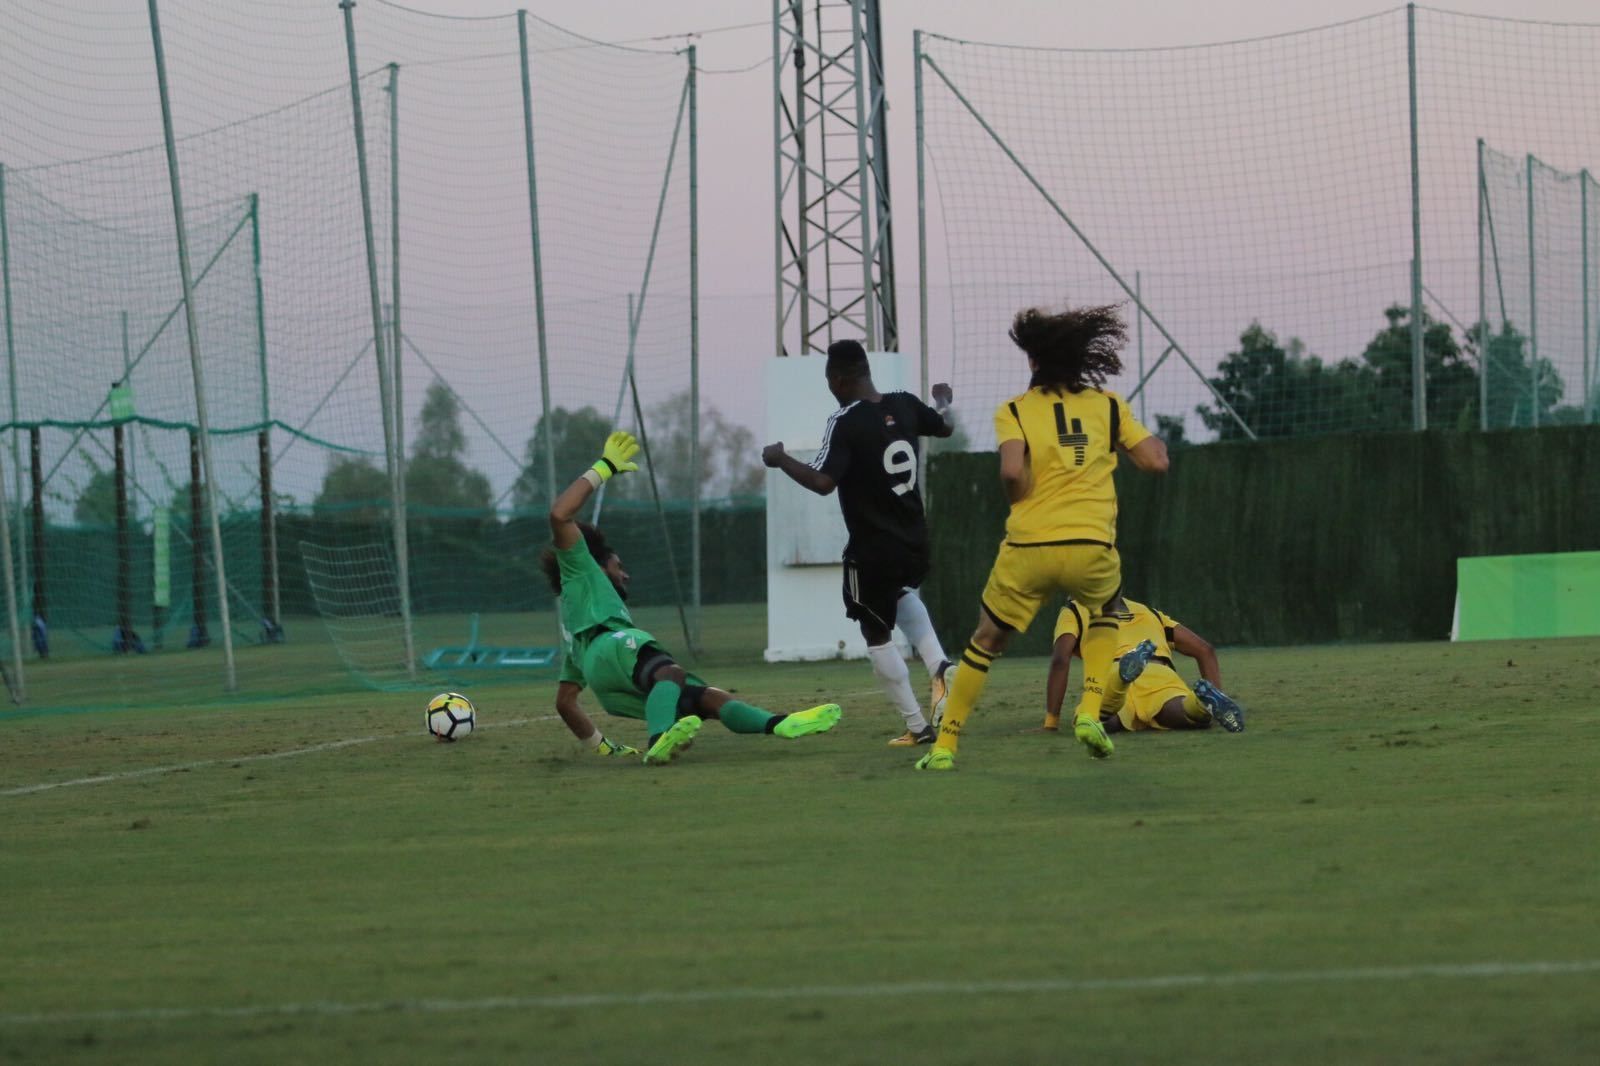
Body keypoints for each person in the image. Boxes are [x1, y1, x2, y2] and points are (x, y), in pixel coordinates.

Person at [915, 302, 1170, 771]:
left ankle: (945, 746)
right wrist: (1148, 444)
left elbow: (1011, 471)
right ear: (1082, 360)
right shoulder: (1109, 407)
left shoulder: (1014, 410)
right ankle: (1090, 712)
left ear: (1033, 361)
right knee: (1106, 614)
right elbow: (1154, 461)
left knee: (985, 640)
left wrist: (1021, 498)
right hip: (1092, 546)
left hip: (1029, 546)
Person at [544, 429, 842, 764]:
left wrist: (603, 747)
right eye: (618, 565)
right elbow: (559, 514)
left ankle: (781, 723)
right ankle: (659, 740)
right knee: (670, 673)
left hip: (608, 686)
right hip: (613, 646)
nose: (625, 574)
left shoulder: (573, 619)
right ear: (598, 563)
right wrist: (605, 467)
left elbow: (565, 702)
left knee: (708, 699)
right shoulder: (581, 566)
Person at [761, 339, 957, 746]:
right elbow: (945, 425)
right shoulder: (904, 403)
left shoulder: (846, 421)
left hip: (872, 548)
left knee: (875, 631)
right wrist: (942, 401)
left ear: (837, 379)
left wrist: (780, 459)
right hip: (915, 538)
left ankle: (918, 726)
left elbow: (821, 481)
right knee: (902, 593)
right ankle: (940, 668)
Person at [1042, 595, 1246, 736]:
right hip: (1159, 672)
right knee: (1187, 713)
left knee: (1095, 721)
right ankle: (1204, 703)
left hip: (1110, 672)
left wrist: (1051, 722)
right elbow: (1205, 650)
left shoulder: (1074, 610)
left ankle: (1120, 683)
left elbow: (1060, 660)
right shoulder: (1150, 613)